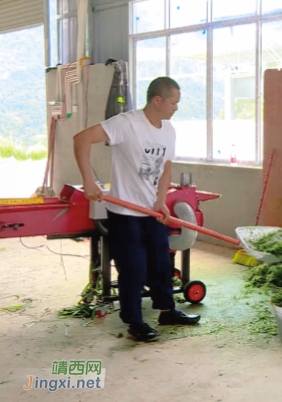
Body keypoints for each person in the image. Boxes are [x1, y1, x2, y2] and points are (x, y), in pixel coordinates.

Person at [74, 77, 200, 342]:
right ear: (157, 100)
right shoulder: (127, 123)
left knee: (161, 264)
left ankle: (167, 311)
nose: (175, 108)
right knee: (133, 269)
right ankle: (134, 322)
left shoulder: (168, 129)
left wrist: (161, 199)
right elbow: (82, 139)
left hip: (152, 212)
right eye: (173, 102)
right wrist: (88, 180)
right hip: (125, 213)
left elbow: (166, 167)